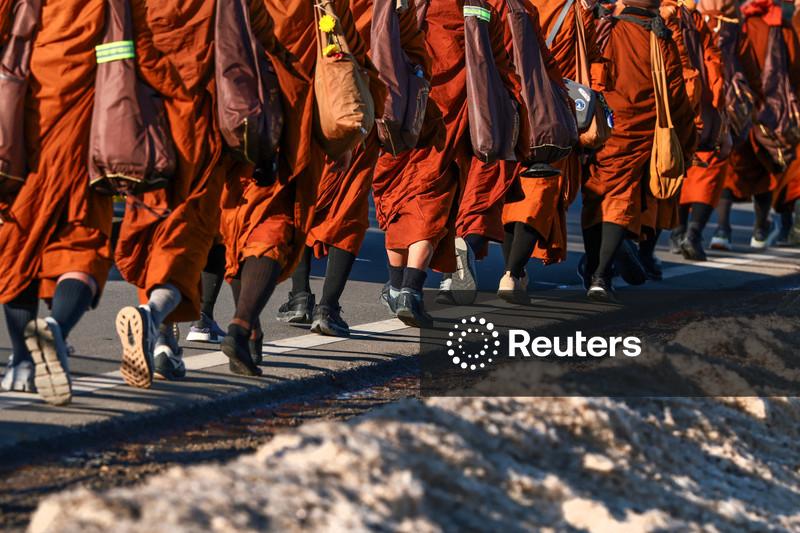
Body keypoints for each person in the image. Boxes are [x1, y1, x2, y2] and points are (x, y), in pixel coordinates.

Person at [219, 0, 369, 374]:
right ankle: (242, 323)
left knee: (238, 223)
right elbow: (352, 57)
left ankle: (249, 329)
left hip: (236, 115)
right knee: (275, 227)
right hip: (292, 127)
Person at [374, 0, 522, 324]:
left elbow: (382, 45)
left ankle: (398, 286)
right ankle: (411, 289)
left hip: (409, 116)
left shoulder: (408, 4)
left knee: (398, 201)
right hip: (453, 122)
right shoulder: (481, 11)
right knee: (433, 202)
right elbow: (501, 70)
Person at [113, 0, 232, 387]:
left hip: (142, 125)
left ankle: (166, 345)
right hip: (197, 127)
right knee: (183, 248)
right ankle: (150, 320)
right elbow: (246, 48)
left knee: (153, 238)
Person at [0, 0, 113, 405]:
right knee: (82, 246)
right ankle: (57, 331)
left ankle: (20, 363)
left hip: (24, 128)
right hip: (91, 127)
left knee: (19, 249)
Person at [275, 0, 404, 338]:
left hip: (307, 104)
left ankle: (300, 297)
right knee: (348, 211)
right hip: (354, 106)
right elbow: (406, 47)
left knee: (304, 198)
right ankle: (328, 308)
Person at [582, 0, 696, 301]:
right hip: (639, 132)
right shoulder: (660, 38)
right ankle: (600, 275)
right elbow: (675, 96)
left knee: (596, 197)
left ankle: (593, 267)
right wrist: (687, 140)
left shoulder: (605, 28)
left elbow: (588, 73)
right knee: (620, 201)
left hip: (601, 128)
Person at [500, 0, 607, 303]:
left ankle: (516, 274)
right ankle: (513, 272)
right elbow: (592, 58)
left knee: (512, 191)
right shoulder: (577, 8)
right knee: (543, 190)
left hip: (512, 103)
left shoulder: (514, 4)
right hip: (554, 109)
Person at [711, 0, 800, 251]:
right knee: (765, 172)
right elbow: (793, 66)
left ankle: (722, 229)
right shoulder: (781, 24)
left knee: (733, 170)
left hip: (741, 106)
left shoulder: (738, 23)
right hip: (772, 110)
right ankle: (760, 229)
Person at [667, 0, 729, 262]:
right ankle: (692, 232)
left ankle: (681, 231)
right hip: (698, 107)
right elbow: (714, 65)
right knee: (709, 167)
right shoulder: (691, 19)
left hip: (675, 105)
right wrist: (719, 104)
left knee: (676, 168)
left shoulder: (682, 17)